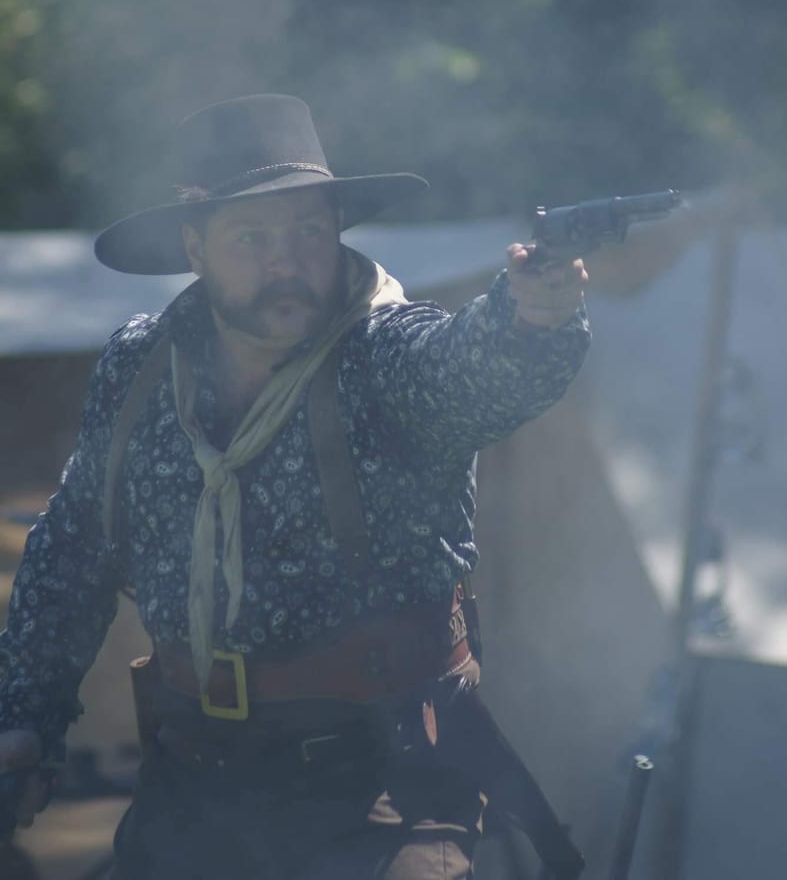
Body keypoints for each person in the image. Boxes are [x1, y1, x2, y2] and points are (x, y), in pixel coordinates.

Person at [0, 94, 590, 879]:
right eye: (252, 236)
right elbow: (75, 547)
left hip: (381, 781)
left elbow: (467, 371)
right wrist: (26, 715)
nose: (286, 259)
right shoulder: (141, 368)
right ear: (195, 245)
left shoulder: (382, 353)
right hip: (192, 779)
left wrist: (531, 319)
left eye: (308, 230)